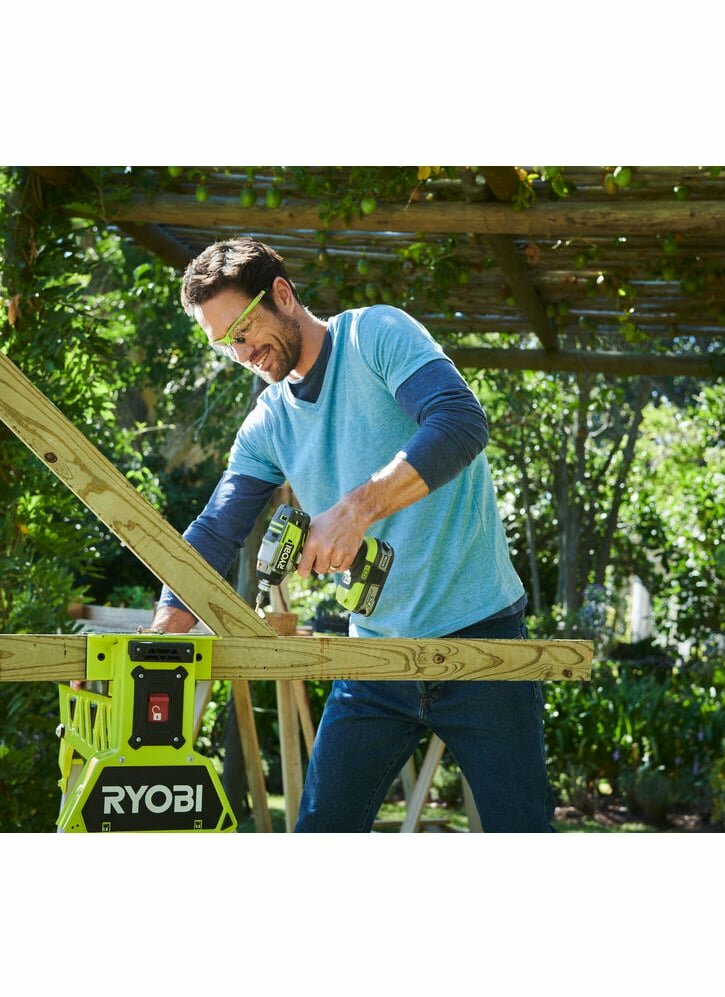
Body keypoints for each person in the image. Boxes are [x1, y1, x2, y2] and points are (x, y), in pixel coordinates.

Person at [150, 237, 554, 832]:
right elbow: (216, 529)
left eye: (244, 328)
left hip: (481, 640)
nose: (242, 352)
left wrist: (354, 510)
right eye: (225, 343)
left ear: (281, 294)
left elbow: (460, 421)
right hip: (372, 658)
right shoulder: (268, 425)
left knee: (522, 836)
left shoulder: (375, 336)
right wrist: (161, 631)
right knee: (321, 834)